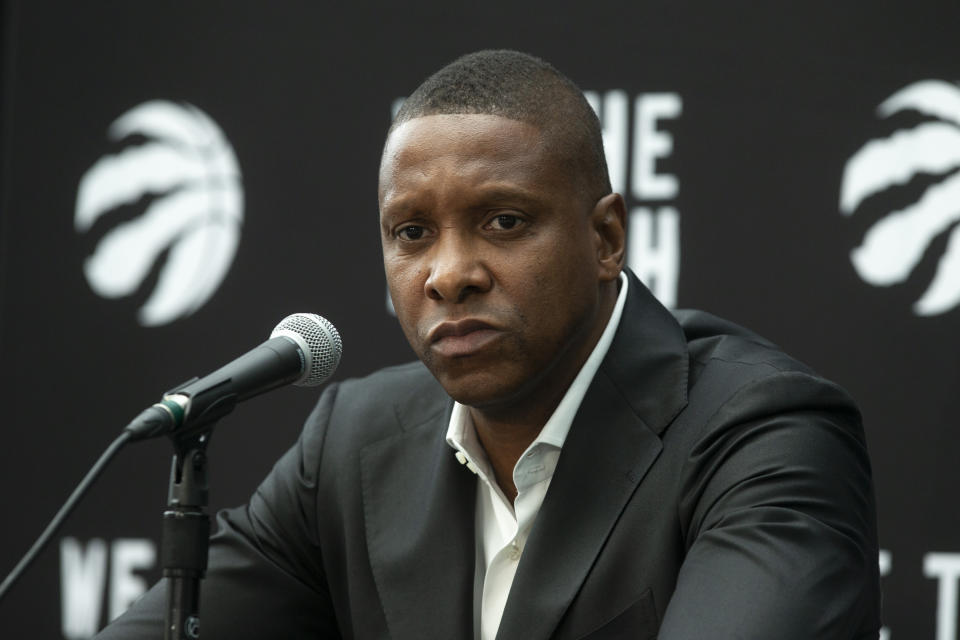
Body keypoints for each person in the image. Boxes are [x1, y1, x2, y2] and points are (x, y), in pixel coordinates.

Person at [96, 50, 880, 639]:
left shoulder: (765, 436)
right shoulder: (354, 443)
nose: (449, 274)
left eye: (503, 222)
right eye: (412, 233)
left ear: (606, 238)